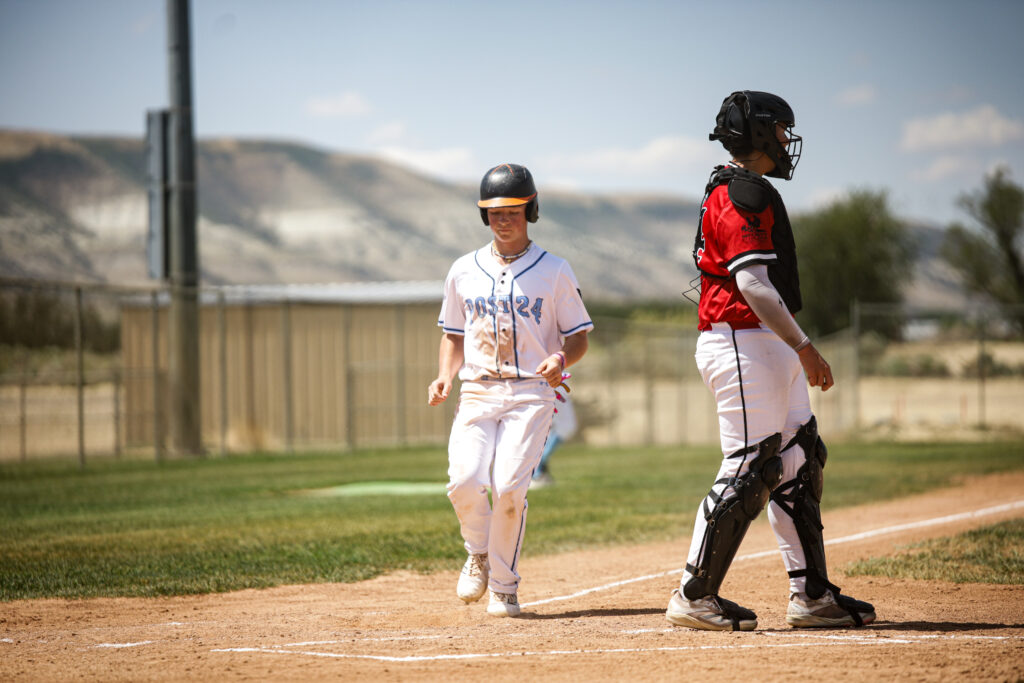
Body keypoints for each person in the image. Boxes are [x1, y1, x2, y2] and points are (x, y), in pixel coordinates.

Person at [665, 91, 876, 631]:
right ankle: (694, 594)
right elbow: (752, 284)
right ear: (759, 135)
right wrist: (805, 346)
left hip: (762, 341)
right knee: (750, 465)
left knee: (799, 459)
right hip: (742, 338)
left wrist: (792, 345)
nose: (787, 141)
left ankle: (810, 595)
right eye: (781, 130)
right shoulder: (742, 192)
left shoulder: (745, 189)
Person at [428, 163, 592, 617]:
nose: (503, 219)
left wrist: (560, 358)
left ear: (531, 210)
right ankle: (477, 553)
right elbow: (453, 334)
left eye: (513, 211)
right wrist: (444, 375)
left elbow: (578, 335)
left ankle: (503, 586)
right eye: (494, 211)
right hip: (478, 391)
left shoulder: (554, 271)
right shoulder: (463, 270)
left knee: (508, 488)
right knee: (463, 482)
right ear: (484, 216)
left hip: (531, 394)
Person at [530, 391, 577, 489]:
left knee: (560, 427)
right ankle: (535, 473)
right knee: (566, 426)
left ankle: (537, 472)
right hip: (551, 387)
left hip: (554, 386)